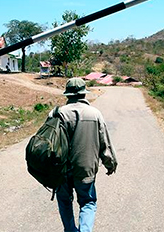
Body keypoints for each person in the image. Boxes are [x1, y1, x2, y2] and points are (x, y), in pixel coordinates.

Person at [53, 77, 117, 232]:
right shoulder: (95, 114)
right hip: (85, 169)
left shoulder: (57, 113)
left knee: (64, 201)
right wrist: (110, 163)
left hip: (61, 170)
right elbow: (104, 144)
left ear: (68, 95)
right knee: (87, 202)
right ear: (84, 94)